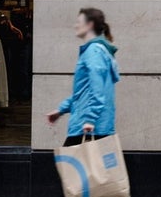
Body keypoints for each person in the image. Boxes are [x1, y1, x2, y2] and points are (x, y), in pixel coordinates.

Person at [46, 8, 120, 147]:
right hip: (94, 125)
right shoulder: (98, 51)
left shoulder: (93, 52)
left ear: (90, 25)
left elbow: (97, 91)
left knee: (69, 166)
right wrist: (61, 110)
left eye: (79, 22)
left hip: (87, 126)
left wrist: (90, 119)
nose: (75, 25)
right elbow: (82, 92)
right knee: (93, 168)